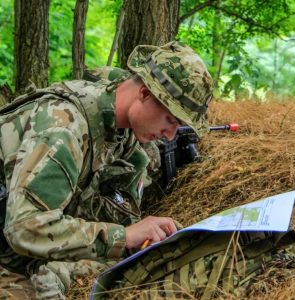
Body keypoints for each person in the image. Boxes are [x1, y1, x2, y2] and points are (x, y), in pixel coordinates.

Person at [0, 41, 213, 299]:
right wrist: (123, 236)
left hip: (22, 252)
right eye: (170, 120)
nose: (170, 136)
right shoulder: (64, 126)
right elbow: (24, 228)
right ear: (144, 93)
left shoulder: (120, 130)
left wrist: (139, 239)